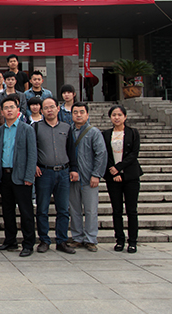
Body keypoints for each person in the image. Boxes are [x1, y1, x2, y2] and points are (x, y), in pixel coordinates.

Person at [33, 97, 78, 255]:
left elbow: (71, 149)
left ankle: (62, 241)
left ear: (58, 108)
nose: (49, 110)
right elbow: (33, 149)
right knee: (42, 209)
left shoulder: (66, 127)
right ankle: (44, 240)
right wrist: (34, 165)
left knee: (63, 210)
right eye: (46, 108)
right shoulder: (36, 127)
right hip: (44, 173)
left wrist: (74, 169)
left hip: (63, 173)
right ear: (41, 111)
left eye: (52, 107)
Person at [0, 95, 37, 257]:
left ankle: (28, 243)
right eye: (6, 108)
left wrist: (29, 177)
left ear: (18, 110)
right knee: (7, 211)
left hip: (21, 176)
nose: (9, 110)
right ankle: (10, 240)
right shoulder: (0, 130)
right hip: (5, 176)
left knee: (26, 212)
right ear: (2, 112)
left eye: (12, 107)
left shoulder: (27, 129)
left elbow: (32, 155)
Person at [103, 105, 142, 254]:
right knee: (117, 210)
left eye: (119, 115)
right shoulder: (106, 134)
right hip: (113, 176)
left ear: (125, 117)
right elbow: (104, 153)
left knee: (131, 210)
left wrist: (119, 167)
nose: (117, 117)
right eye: (114, 115)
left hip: (131, 176)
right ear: (110, 117)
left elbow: (134, 154)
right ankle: (119, 240)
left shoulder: (133, 133)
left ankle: (132, 241)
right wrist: (113, 171)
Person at [69, 102, 107, 252]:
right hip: (73, 177)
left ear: (87, 114)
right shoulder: (68, 131)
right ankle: (77, 237)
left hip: (89, 177)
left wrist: (96, 174)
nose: (78, 115)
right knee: (74, 209)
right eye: (75, 112)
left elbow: (101, 154)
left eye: (81, 112)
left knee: (91, 210)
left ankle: (91, 239)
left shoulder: (94, 132)